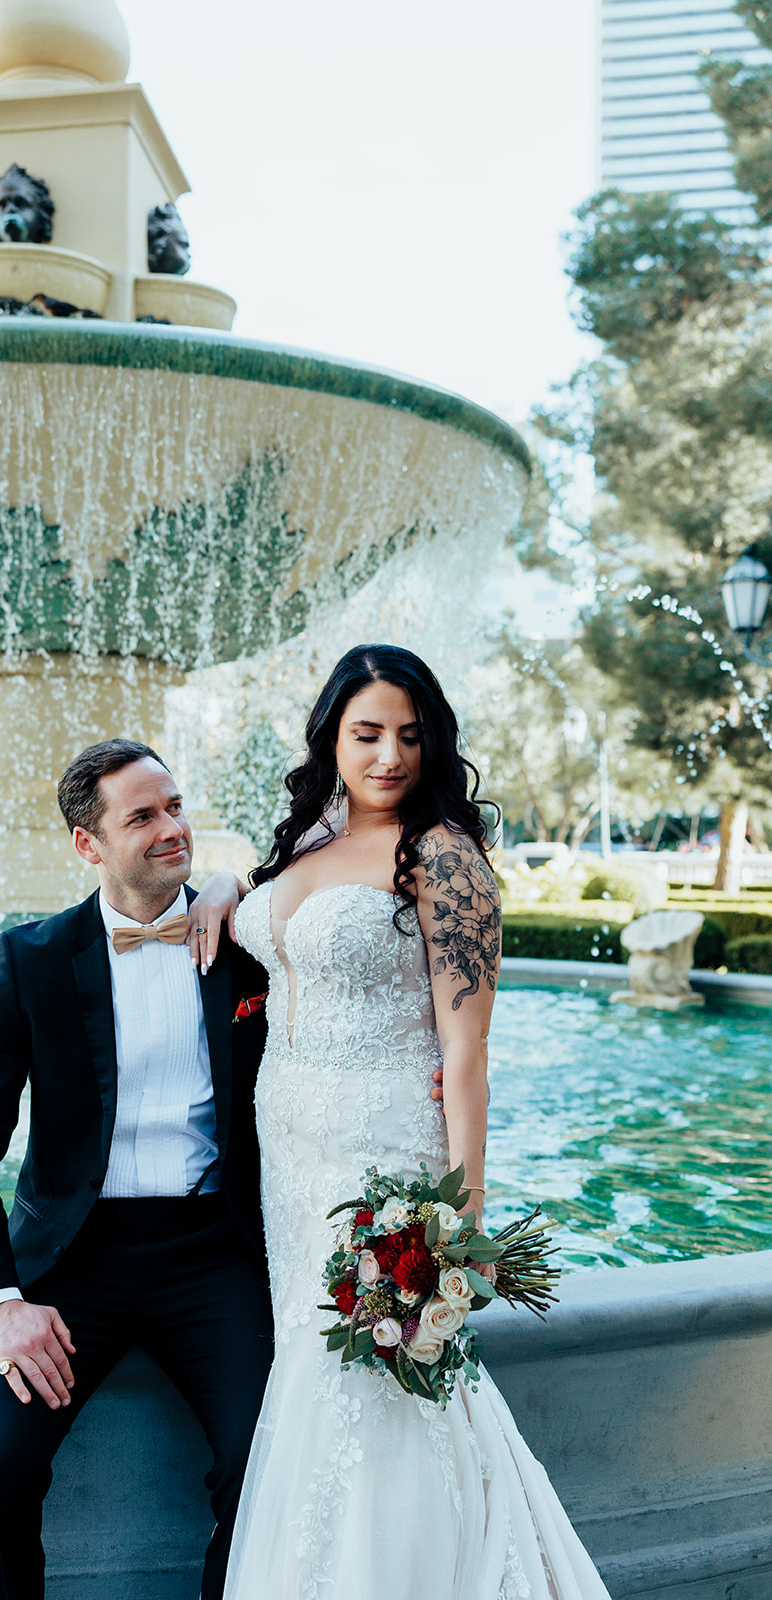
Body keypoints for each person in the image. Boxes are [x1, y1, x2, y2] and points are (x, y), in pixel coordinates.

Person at [202, 643, 613, 1599]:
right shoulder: (309, 841)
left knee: (379, 1377)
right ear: (330, 738)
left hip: (382, 1155)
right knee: (311, 1375)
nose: (389, 755)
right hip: (290, 1158)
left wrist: (460, 1226)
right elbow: (273, 922)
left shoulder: (441, 856)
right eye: (367, 733)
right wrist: (224, 887)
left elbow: (466, 1054)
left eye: (410, 735)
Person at [0, 738, 275, 1600]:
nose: (173, 829)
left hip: (211, 1253)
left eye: (176, 807)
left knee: (266, 1470)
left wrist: (235, 885)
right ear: (87, 845)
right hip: (68, 1265)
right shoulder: (33, 961)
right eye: (143, 817)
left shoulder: (248, 944)